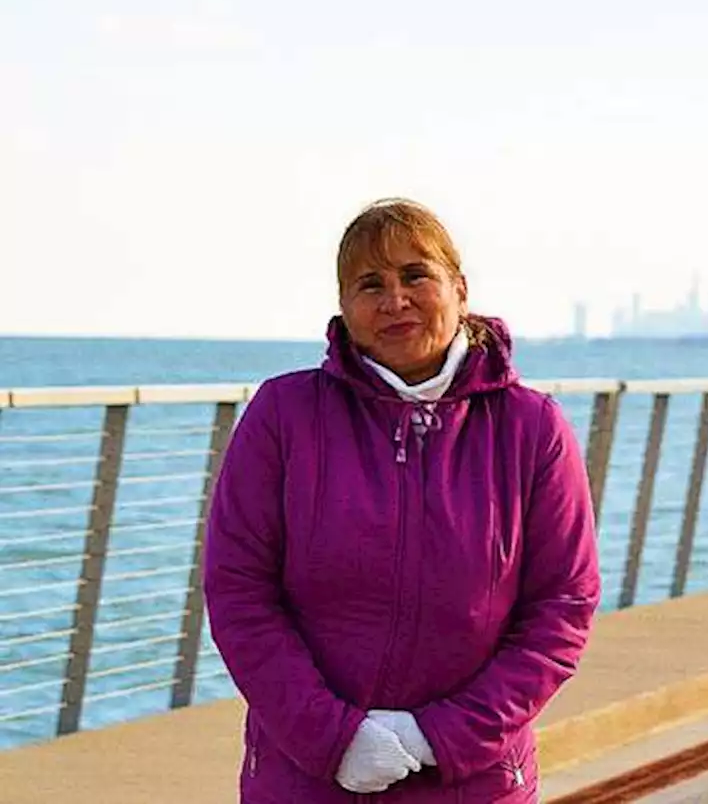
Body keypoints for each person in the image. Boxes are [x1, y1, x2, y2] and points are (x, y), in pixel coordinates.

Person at [204, 197, 601, 802]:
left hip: (474, 780)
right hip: (305, 777)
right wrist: (333, 738)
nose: (395, 300)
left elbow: (563, 606)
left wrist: (435, 737)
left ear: (459, 289)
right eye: (371, 284)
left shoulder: (532, 427)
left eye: (417, 275)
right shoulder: (282, 417)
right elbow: (239, 591)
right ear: (344, 308)